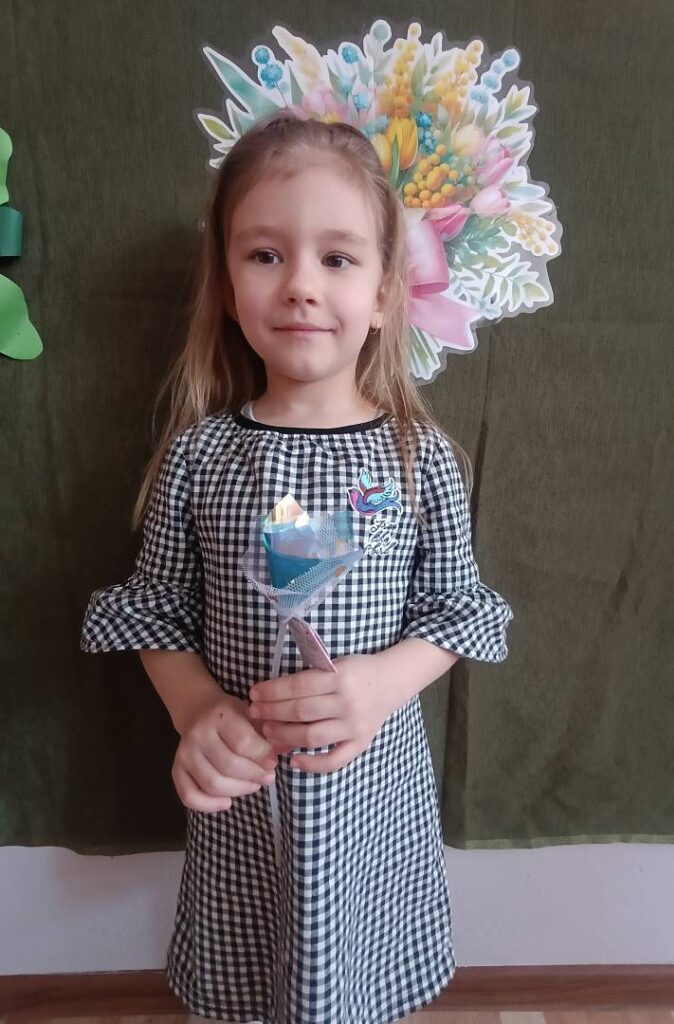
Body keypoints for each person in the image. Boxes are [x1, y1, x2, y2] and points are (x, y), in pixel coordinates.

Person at [81, 112, 513, 1024]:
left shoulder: (417, 460)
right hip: (245, 804)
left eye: (338, 258)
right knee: (250, 982)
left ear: (385, 294)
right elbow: (156, 610)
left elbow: (459, 610)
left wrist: (381, 685)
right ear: (227, 285)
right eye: (266, 255)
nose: (302, 286)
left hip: (372, 801)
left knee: (358, 982)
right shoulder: (201, 457)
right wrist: (197, 713)